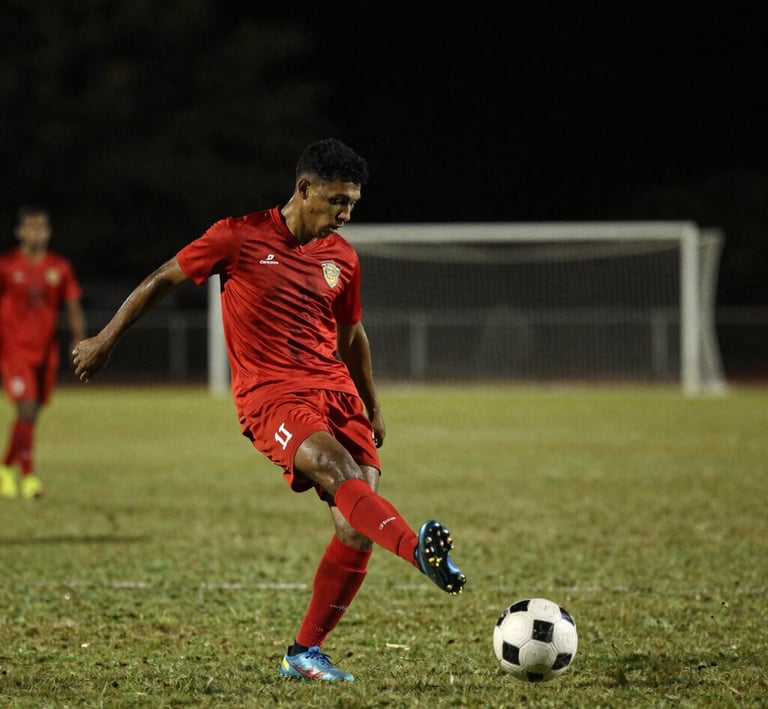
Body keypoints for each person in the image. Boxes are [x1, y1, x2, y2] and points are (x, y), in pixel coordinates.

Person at [72, 138, 465, 681]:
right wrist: (106, 339)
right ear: (304, 189)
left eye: (352, 203)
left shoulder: (342, 258)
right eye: (337, 201)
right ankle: (417, 551)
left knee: (355, 527)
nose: (345, 214)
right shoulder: (238, 236)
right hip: (272, 395)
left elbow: (352, 337)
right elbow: (163, 277)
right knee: (339, 472)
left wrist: (371, 404)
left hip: (337, 393)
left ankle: (303, 653)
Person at [0, 205, 86, 499]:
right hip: (14, 351)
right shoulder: (7, 266)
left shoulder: (58, 267)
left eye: (42, 227)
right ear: (20, 231)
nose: (38, 233)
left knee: (31, 415)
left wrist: (79, 338)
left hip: (46, 352)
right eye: (32, 227)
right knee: (26, 408)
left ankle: (5, 468)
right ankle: (28, 478)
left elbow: (73, 306)